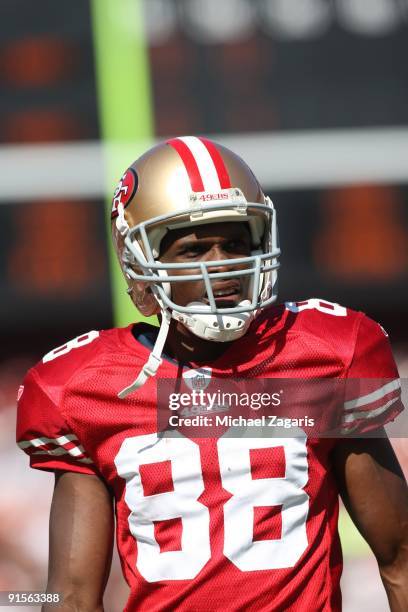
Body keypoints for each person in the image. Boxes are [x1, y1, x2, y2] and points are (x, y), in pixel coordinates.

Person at [17, 136, 408, 611]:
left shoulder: (329, 351)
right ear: (143, 261)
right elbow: (70, 596)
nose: (221, 266)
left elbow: (400, 557)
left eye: (235, 243)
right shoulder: (82, 388)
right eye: (195, 249)